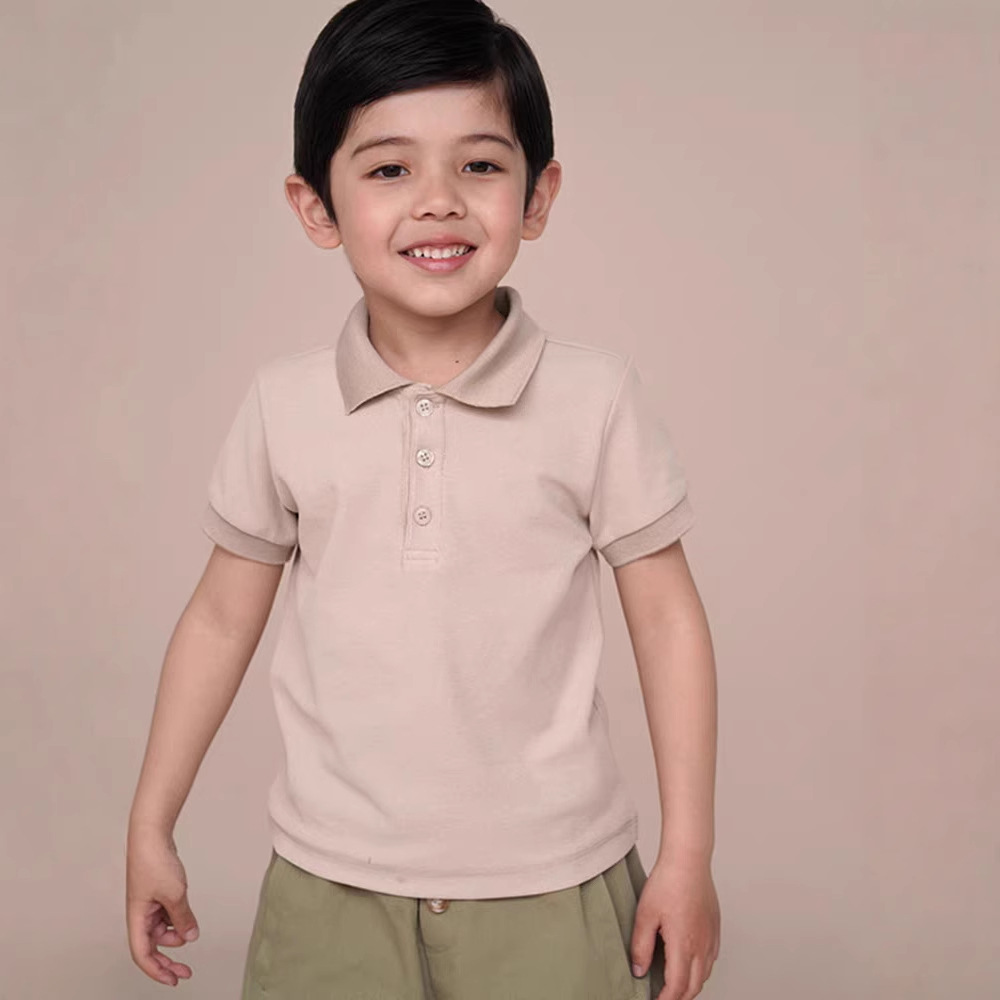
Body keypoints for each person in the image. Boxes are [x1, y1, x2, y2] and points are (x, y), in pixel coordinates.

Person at [125, 1, 720, 997]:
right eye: (389, 169)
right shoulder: (282, 405)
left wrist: (688, 855)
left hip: (554, 882)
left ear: (537, 195)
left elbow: (668, 623)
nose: (438, 202)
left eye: (480, 165)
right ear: (317, 207)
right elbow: (221, 619)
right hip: (329, 885)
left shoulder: (596, 399)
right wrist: (151, 822)